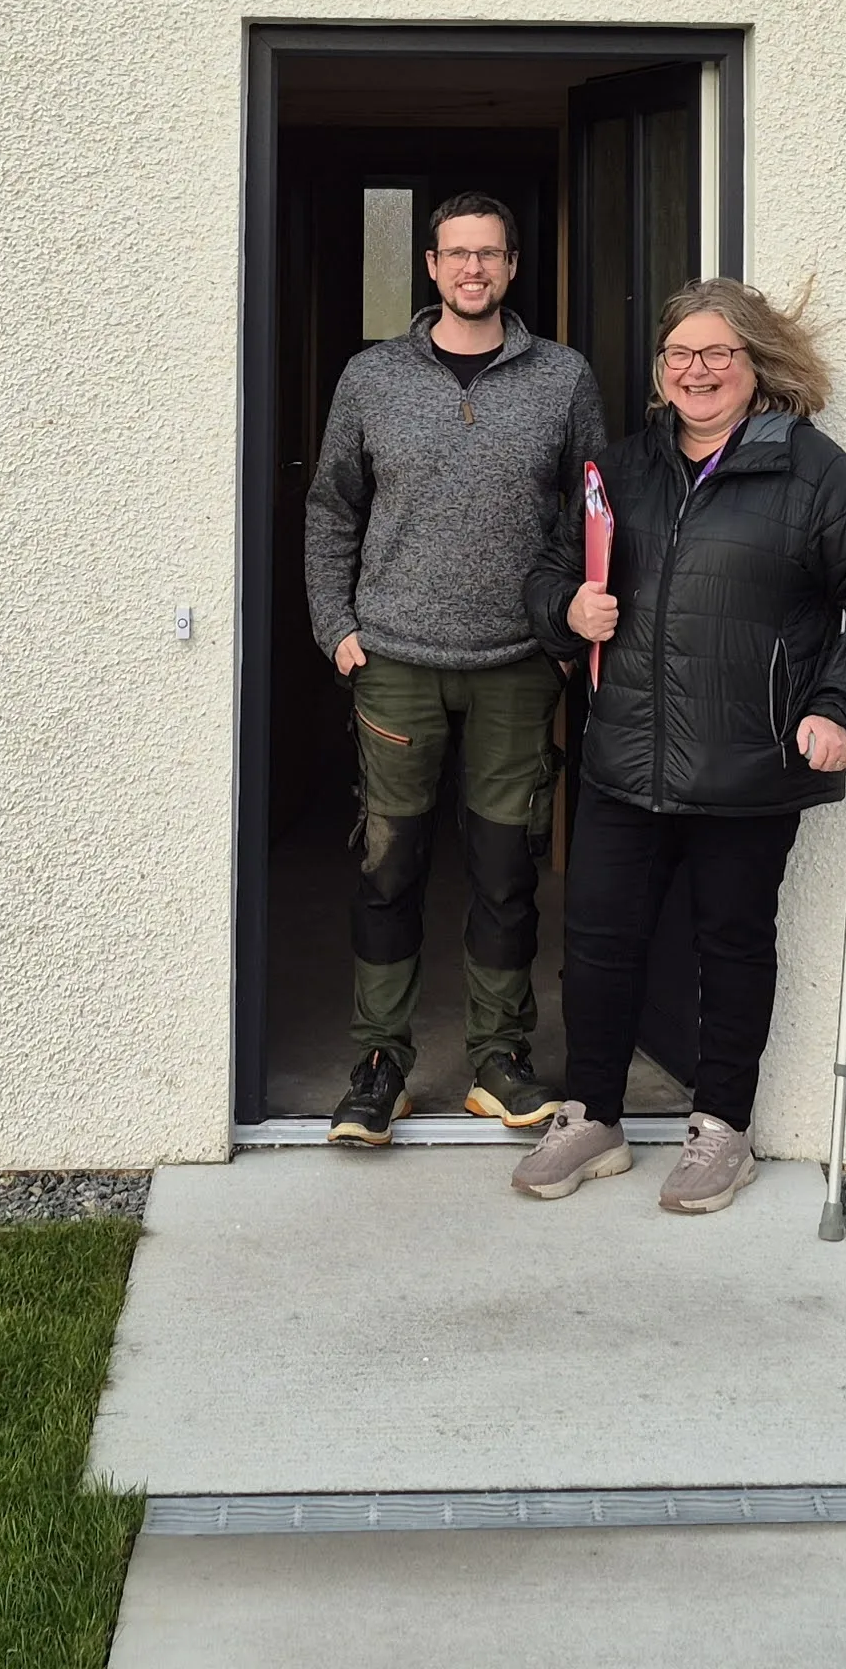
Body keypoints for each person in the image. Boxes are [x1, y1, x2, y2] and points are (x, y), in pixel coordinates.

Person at [513, 278, 846, 1213]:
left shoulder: (811, 472)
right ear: (661, 371)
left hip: (750, 763)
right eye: (679, 355)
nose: (697, 371)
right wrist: (567, 609)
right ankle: (593, 1117)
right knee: (598, 943)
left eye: (717, 354)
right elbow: (552, 573)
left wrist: (839, 708)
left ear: (754, 365)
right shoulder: (623, 468)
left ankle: (722, 1129)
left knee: (731, 945)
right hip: (625, 758)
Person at [303, 193, 608, 1146]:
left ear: (512, 266)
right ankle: (380, 1064)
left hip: (518, 663)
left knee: (506, 871)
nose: (473, 269)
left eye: (490, 254)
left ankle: (498, 1061)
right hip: (394, 660)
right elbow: (332, 507)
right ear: (431, 267)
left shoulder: (562, 377)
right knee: (389, 867)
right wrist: (335, 625)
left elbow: (594, 510)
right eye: (456, 254)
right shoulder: (372, 377)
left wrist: (568, 632)